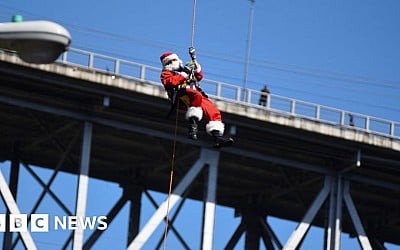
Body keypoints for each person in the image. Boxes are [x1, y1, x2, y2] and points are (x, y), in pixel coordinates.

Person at [159, 47, 234, 148]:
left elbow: (199, 76)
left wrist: (194, 59)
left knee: (213, 110)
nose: (173, 62)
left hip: (195, 95)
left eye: (175, 60)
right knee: (195, 95)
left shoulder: (186, 70)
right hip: (181, 96)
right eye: (170, 61)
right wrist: (185, 72)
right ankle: (192, 126)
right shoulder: (166, 74)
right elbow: (171, 82)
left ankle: (217, 137)